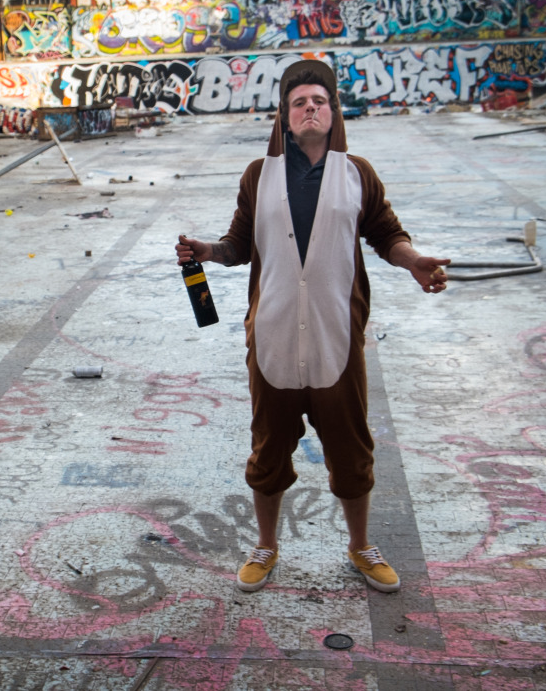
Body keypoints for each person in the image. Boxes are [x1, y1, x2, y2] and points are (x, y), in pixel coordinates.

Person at [175, 59, 449, 594]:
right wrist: (209, 250)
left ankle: (360, 545)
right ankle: (266, 545)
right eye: (299, 102)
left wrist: (412, 260)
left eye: (319, 102)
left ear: (334, 112)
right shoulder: (259, 175)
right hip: (273, 337)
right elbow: (239, 243)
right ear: (284, 115)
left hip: (335, 338)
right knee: (268, 450)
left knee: (351, 450)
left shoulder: (357, 174)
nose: (310, 109)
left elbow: (386, 233)